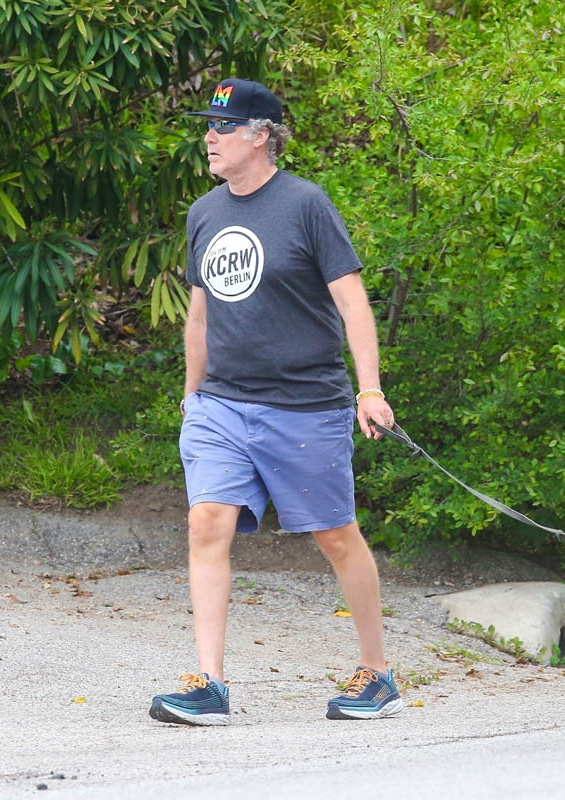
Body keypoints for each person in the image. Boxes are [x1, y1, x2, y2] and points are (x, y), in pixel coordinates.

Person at [148, 78, 405, 724]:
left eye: (223, 126)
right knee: (207, 522)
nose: (209, 137)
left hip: (304, 406)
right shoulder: (204, 213)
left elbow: (353, 304)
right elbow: (199, 317)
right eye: (208, 125)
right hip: (222, 405)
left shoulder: (305, 204)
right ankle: (210, 682)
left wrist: (370, 388)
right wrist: (191, 398)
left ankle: (377, 673)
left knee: (336, 536)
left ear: (261, 135)